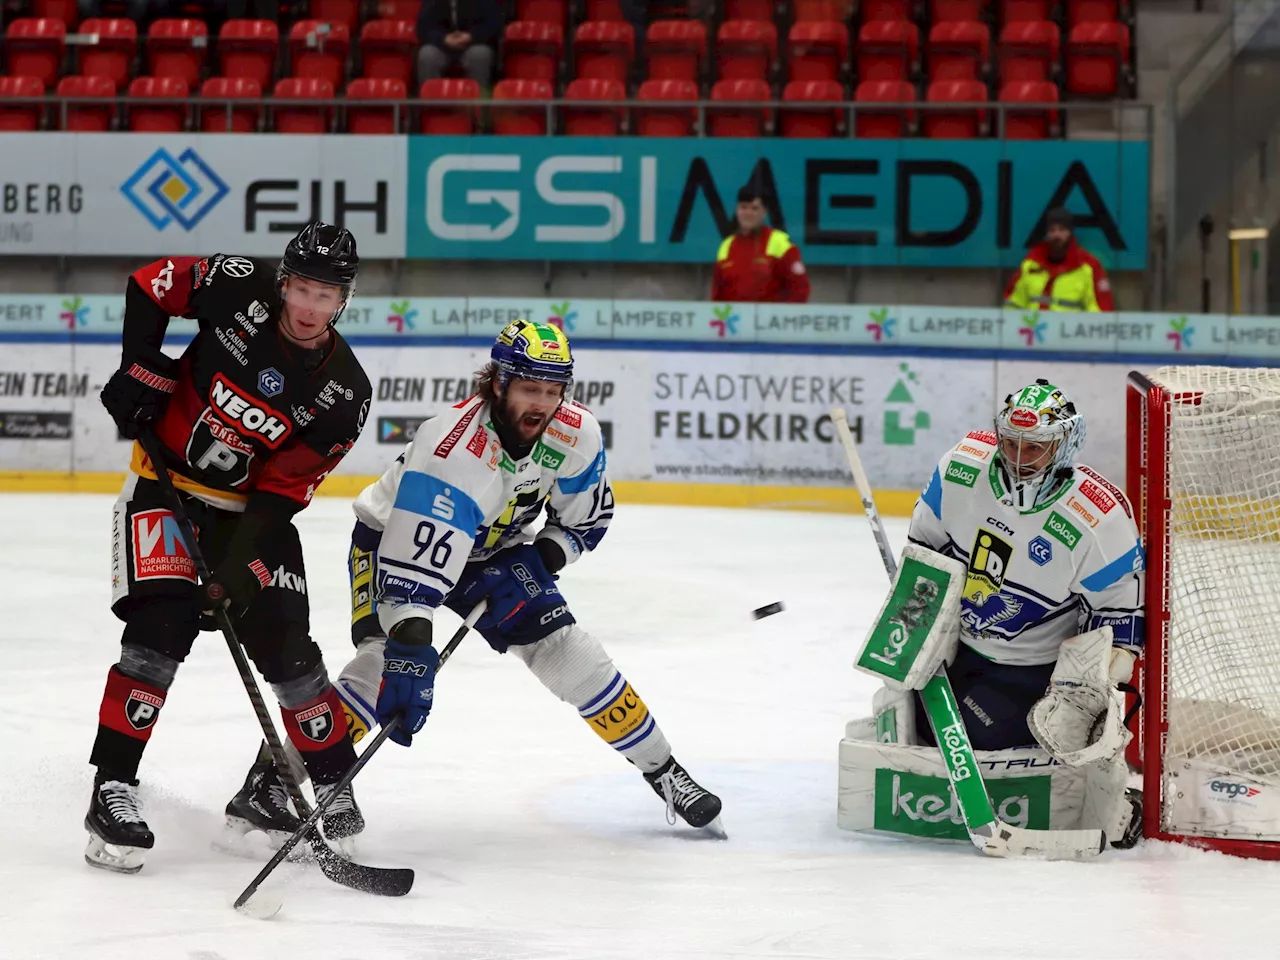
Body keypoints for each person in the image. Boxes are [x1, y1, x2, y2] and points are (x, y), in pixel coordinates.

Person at [303, 320, 723, 835]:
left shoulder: (575, 433)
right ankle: (277, 779)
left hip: (491, 551)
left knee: (566, 650)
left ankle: (664, 771)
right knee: (382, 662)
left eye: (552, 390)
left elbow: (583, 519)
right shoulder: (450, 450)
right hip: (392, 544)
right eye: (529, 388)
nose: (541, 404)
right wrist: (411, 648)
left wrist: (546, 555)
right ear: (497, 383)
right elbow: (408, 583)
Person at [87, 222, 373, 874]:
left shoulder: (345, 393)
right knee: (158, 631)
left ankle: (322, 783)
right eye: (301, 288)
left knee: (289, 651)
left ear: (344, 300)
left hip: (251, 516)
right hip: (165, 491)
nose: (309, 308)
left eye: (325, 296)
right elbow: (150, 285)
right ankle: (112, 788)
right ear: (283, 283)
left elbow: (281, 494)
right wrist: (140, 364)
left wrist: (241, 568)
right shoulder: (234, 285)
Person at [843, 381, 1145, 848]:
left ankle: (1103, 793)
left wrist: (1091, 692)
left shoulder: (1098, 518)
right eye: (1012, 443)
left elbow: (1119, 622)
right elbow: (926, 551)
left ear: (1064, 446)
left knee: (978, 735)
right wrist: (919, 627)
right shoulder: (962, 468)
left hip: (1034, 672)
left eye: (1037, 448)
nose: (1020, 458)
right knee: (912, 718)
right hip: (962, 648)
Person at [710, 184, 810, 304]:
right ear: (737, 210)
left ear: (764, 212)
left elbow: (800, 291)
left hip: (771, 320)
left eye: (754, 208)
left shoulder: (781, 244)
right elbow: (716, 296)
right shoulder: (726, 246)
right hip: (734, 321)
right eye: (743, 207)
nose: (748, 213)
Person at [1004, 207, 1114, 313]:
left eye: (1062, 230)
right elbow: (1013, 305)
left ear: (1070, 232)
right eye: (1052, 230)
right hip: (1032, 329)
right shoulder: (1031, 263)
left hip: (1069, 331)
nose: (1057, 235)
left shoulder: (1089, 266)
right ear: (1047, 234)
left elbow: (1099, 313)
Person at [416, 0, 502, 90]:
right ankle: (430, 102)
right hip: (442, 45)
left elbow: (493, 26)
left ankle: (477, 102)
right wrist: (443, 39)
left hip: (473, 43)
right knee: (427, 55)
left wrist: (471, 36)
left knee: (480, 54)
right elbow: (423, 28)